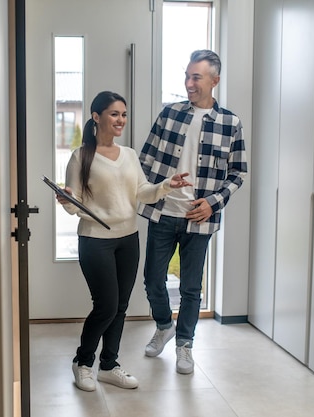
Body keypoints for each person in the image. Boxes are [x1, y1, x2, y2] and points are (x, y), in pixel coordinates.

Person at [55, 91, 191, 392]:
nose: (121, 120)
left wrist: (168, 185)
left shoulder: (129, 154)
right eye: (114, 114)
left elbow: (142, 192)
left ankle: (109, 365)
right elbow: (74, 202)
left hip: (128, 239)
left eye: (124, 114)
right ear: (96, 116)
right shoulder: (81, 156)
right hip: (95, 240)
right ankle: (83, 362)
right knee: (106, 305)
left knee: (121, 306)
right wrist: (66, 199)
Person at [138, 50, 247, 374]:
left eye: (196, 77)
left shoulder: (230, 123)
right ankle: (163, 326)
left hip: (200, 218)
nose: (188, 83)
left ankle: (185, 345)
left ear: (214, 80)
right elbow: (144, 160)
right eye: (186, 76)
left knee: (190, 289)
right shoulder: (169, 114)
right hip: (163, 211)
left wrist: (212, 202)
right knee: (152, 280)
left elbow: (238, 173)